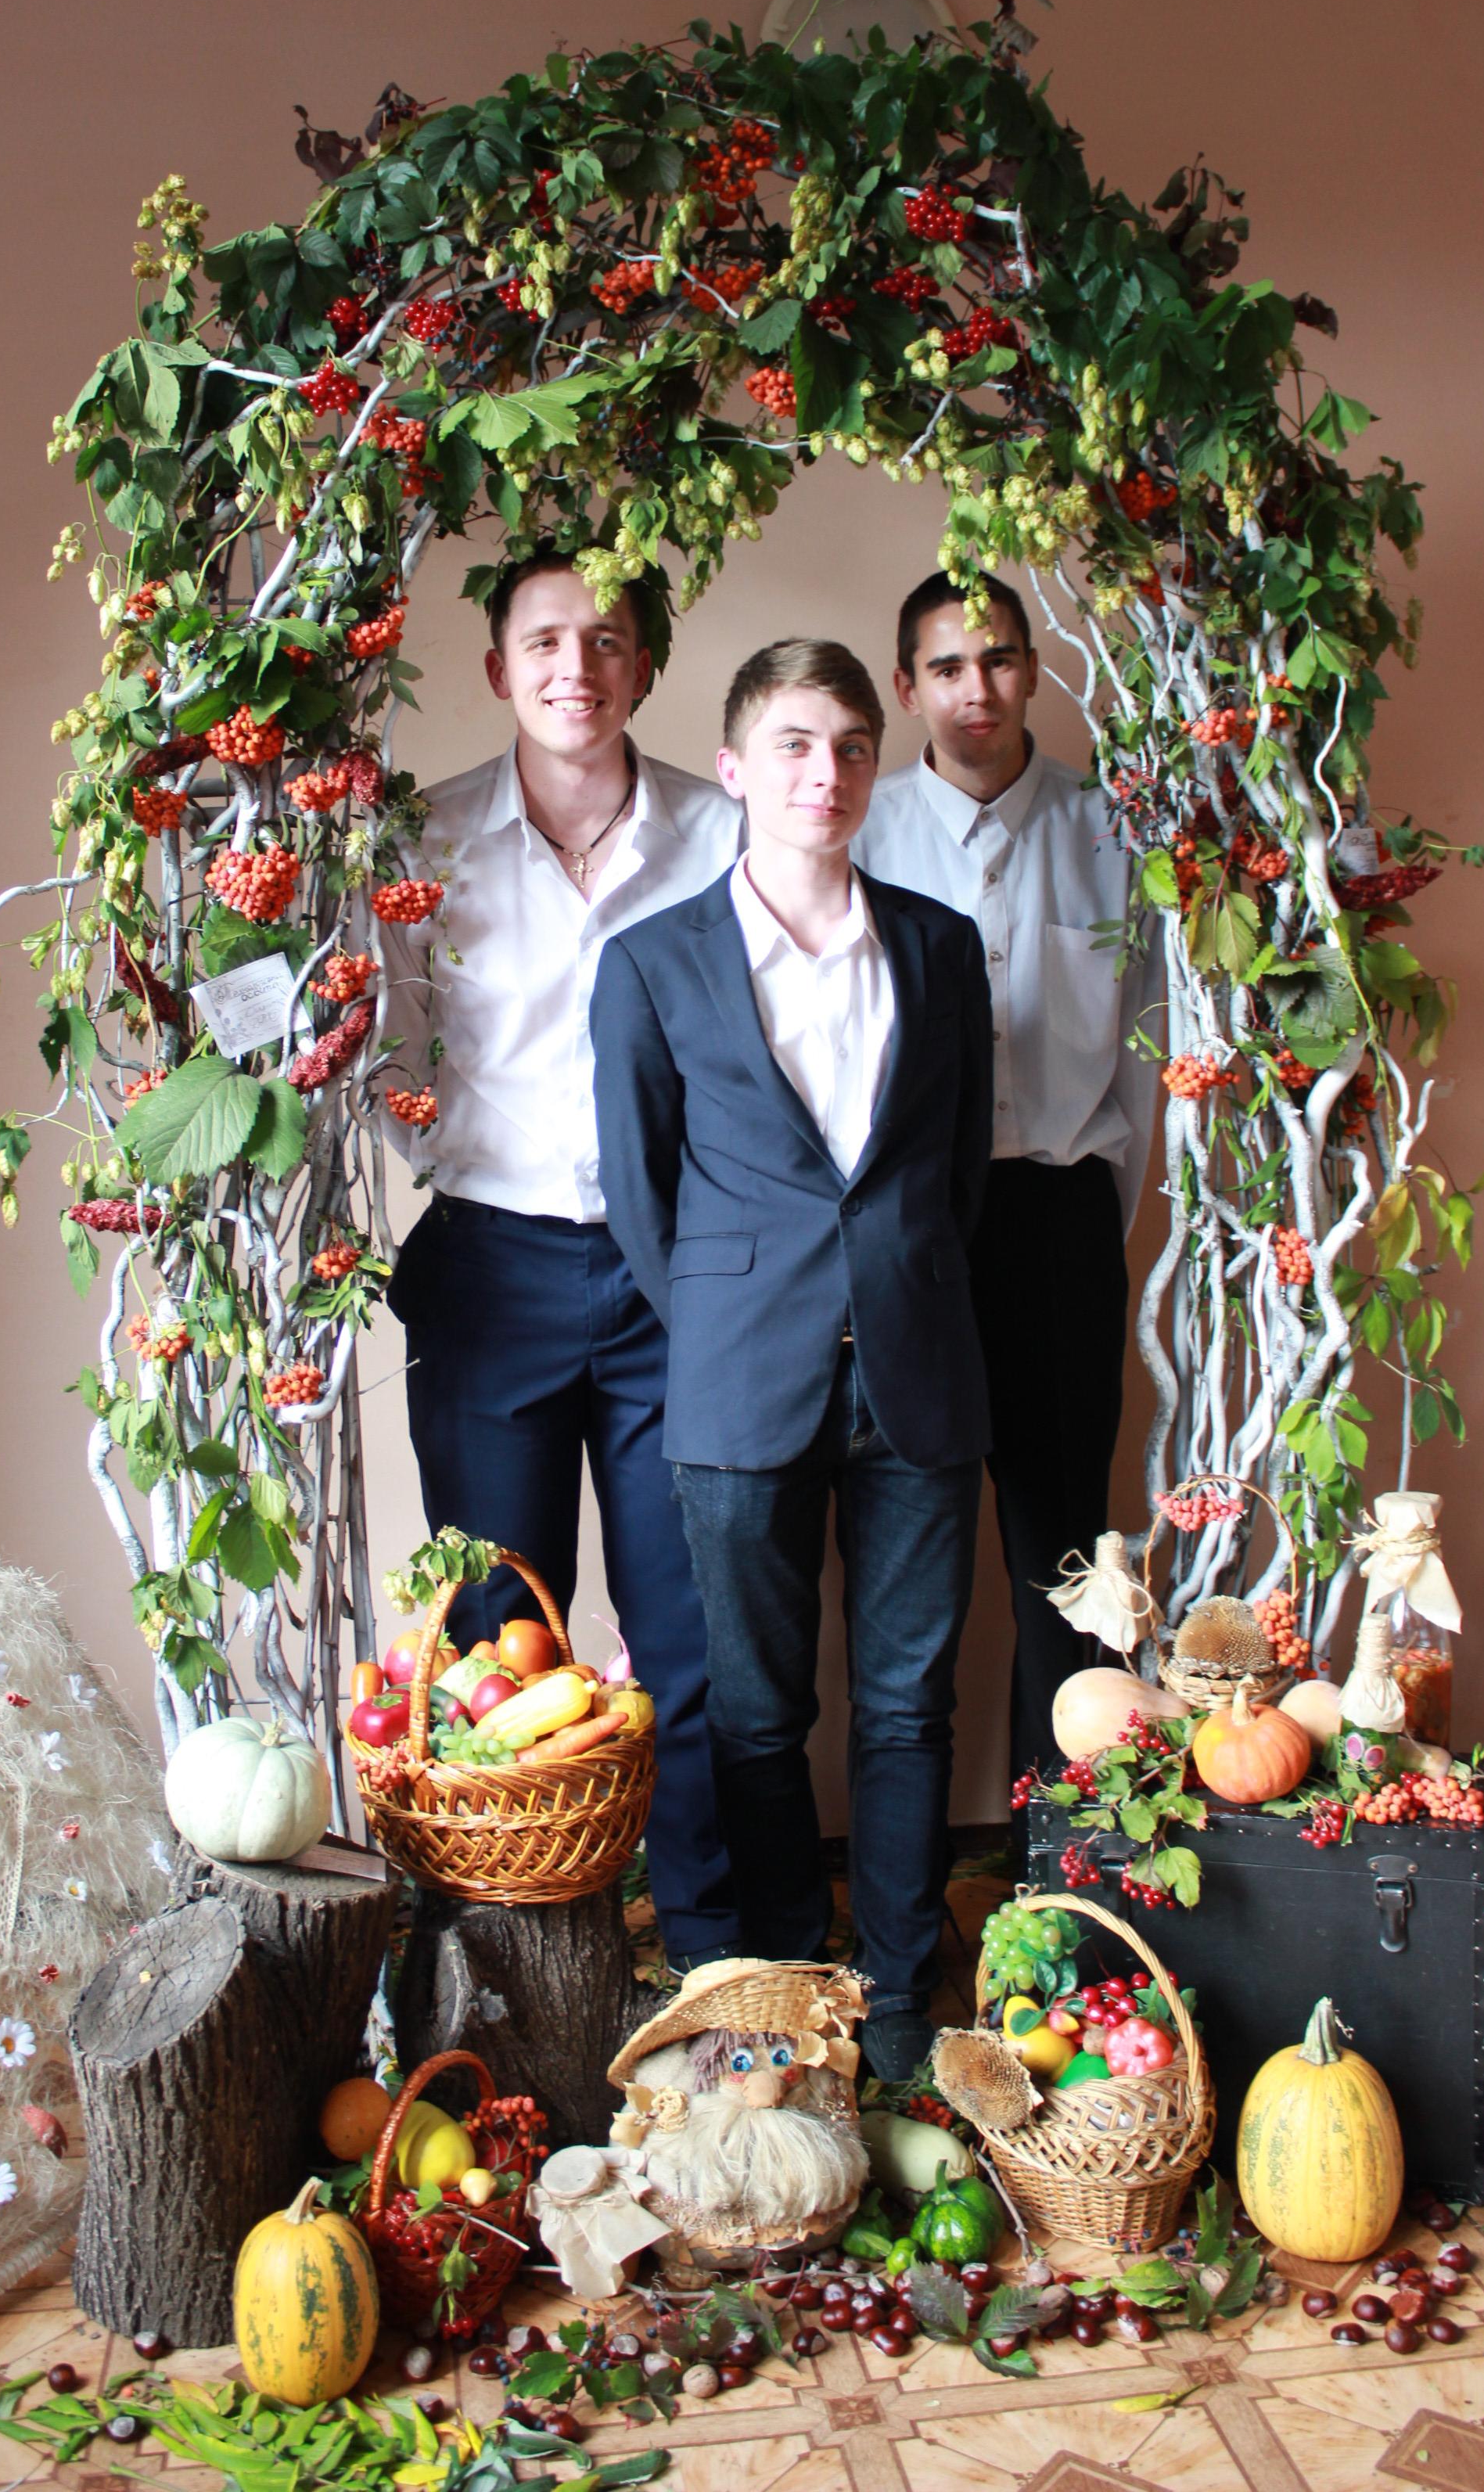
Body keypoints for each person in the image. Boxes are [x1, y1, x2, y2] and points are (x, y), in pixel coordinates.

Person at [590, 640, 994, 2080]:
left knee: (908, 1708)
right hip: (739, 1380)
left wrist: (894, 1287)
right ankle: (778, 1985)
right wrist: (735, 1312)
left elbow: (957, 1176)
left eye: (852, 747)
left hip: (920, 1372)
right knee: (756, 1718)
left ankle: (896, 1992)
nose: (828, 774)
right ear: (737, 765)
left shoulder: (940, 948)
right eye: (797, 745)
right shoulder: (651, 964)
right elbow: (641, 1198)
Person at [379, 548, 740, 1970]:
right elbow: (392, 1050)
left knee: (689, 1629)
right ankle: (513, 1960)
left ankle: (710, 1948)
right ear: (497, 669)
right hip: (492, 1270)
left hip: (676, 1275)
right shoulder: (426, 839)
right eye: (543, 642)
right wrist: (458, 1154)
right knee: (493, 1630)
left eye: (604, 640)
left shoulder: (721, 832)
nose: (573, 668)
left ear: (644, 666)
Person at [853, 570, 1162, 1796]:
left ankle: (1070, 1844)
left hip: (1055, 1220)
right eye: (945, 667)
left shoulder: (1115, 831)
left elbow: (1147, 1055)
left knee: (1065, 1552)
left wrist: (1091, 1224)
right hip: (908, 1224)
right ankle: (904, 1862)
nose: (974, 689)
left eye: (996, 660)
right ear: (906, 686)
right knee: (903, 1550)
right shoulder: (858, 831)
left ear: (1033, 669)